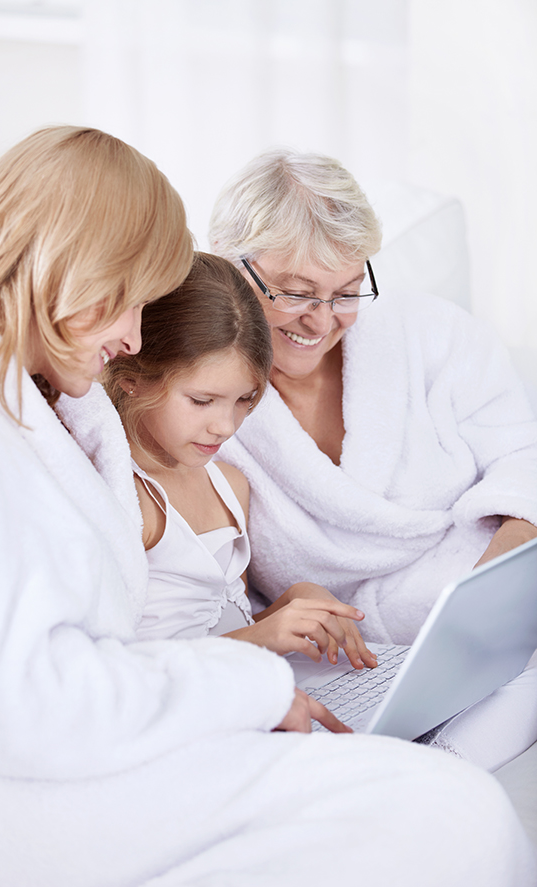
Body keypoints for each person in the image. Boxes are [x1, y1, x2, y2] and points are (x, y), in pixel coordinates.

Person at [0, 127, 534, 887]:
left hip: (142, 714)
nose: (131, 338)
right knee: (459, 816)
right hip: (38, 785)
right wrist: (248, 684)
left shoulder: (39, 399)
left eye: (343, 291)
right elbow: (34, 702)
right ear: (73, 266)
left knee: (458, 810)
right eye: (127, 304)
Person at [210, 148, 537, 771]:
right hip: (353, 661)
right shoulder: (202, 403)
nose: (323, 320)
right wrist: (282, 609)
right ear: (231, 265)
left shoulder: (435, 335)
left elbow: (525, 461)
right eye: (298, 293)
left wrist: (487, 596)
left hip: (489, 633)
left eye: (347, 292)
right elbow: (218, 584)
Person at [104, 251, 377, 670]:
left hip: (246, 692)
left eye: (245, 400)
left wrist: (294, 602)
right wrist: (262, 636)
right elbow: (115, 669)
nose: (225, 426)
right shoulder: (124, 498)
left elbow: (226, 627)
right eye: (202, 401)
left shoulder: (230, 486)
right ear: (132, 382)